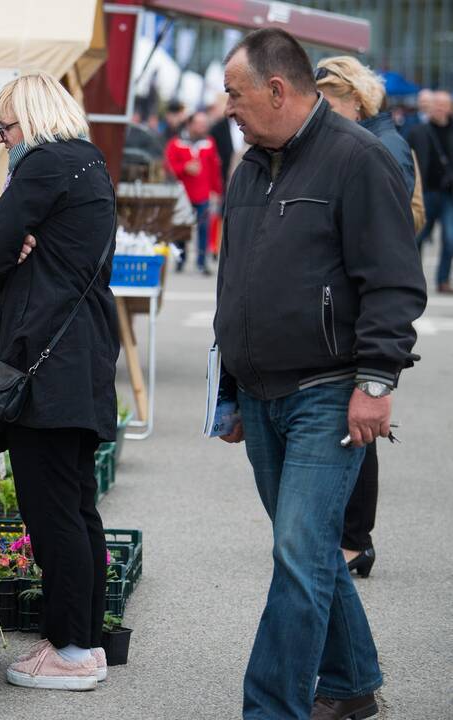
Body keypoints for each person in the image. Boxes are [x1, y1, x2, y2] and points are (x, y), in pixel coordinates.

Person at [216, 29, 426, 720]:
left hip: (326, 394)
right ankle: (351, 681)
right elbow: (234, 284)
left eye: (235, 95)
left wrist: (374, 383)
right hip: (261, 391)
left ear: (277, 90)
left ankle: (270, 709)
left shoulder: (358, 160)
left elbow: (394, 283)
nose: (228, 109)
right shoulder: (250, 166)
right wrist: (231, 392)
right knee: (306, 556)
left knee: (298, 557)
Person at [0, 71, 119, 691]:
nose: (2, 141)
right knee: (78, 506)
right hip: (81, 358)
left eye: (4, 127)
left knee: (52, 509)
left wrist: (12, 247)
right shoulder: (90, 164)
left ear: (29, 119)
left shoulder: (42, 165)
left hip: (47, 366)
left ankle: (71, 651)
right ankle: (85, 640)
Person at [315, 55, 424, 580]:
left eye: (329, 102)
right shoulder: (376, 138)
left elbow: (389, 237)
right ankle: (352, 538)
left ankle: (356, 541)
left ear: (354, 100)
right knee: (352, 425)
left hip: (365, 307)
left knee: (358, 422)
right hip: (356, 304)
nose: (322, 112)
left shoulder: (380, 146)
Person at [164, 111, 223, 274]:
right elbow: (168, 166)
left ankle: (201, 262)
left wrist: (216, 191)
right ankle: (180, 260)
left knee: (204, 229)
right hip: (182, 195)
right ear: (190, 124)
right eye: (199, 123)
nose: (203, 126)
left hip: (203, 194)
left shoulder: (209, 143)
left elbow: (214, 169)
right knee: (181, 228)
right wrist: (184, 168)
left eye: (205, 123)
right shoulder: (176, 143)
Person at [408, 91, 453, 287]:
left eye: (444, 105)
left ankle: (442, 280)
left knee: (450, 238)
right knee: (417, 237)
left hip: (449, 195)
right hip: (425, 192)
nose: (439, 108)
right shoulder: (418, 131)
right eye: (436, 104)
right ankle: (413, 278)